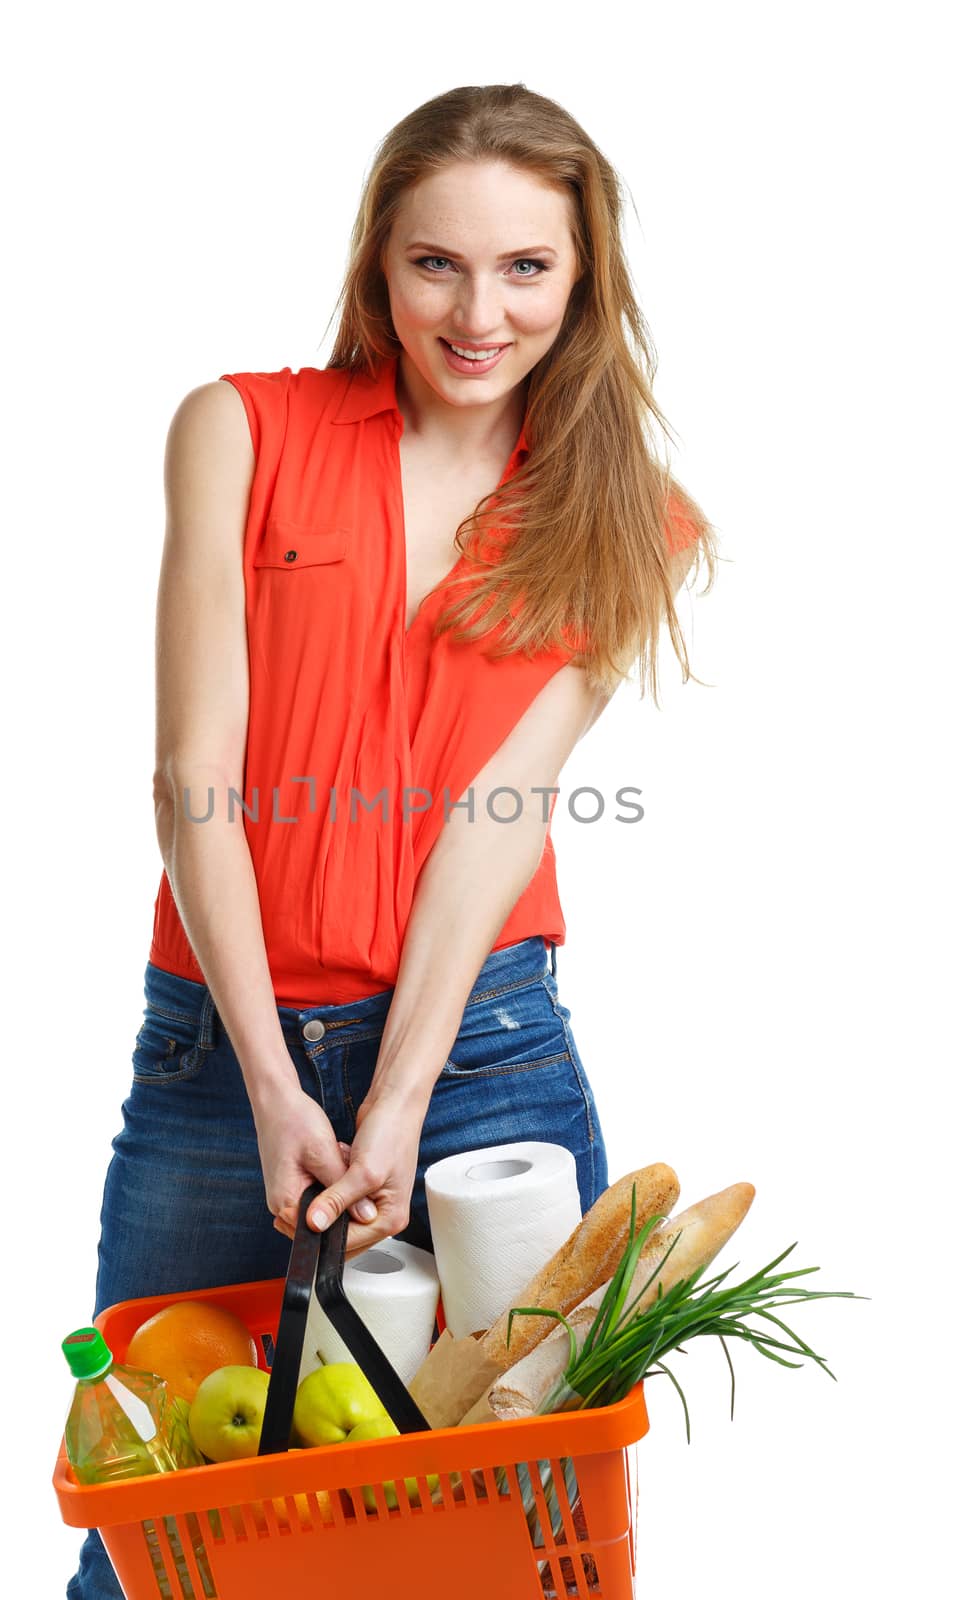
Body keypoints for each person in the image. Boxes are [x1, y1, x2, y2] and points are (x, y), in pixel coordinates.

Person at [67, 82, 717, 1599]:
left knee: (520, 1524)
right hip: (215, 1057)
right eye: (437, 263)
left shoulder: (630, 517)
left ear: (585, 276)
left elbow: (501, 819)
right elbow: (191, 778)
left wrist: (404, 1096)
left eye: (526, 268)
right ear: (379, 264)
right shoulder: (239, 428)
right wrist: (272, 1077)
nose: (478, 312)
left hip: (487, 1054)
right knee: (154, 1516)